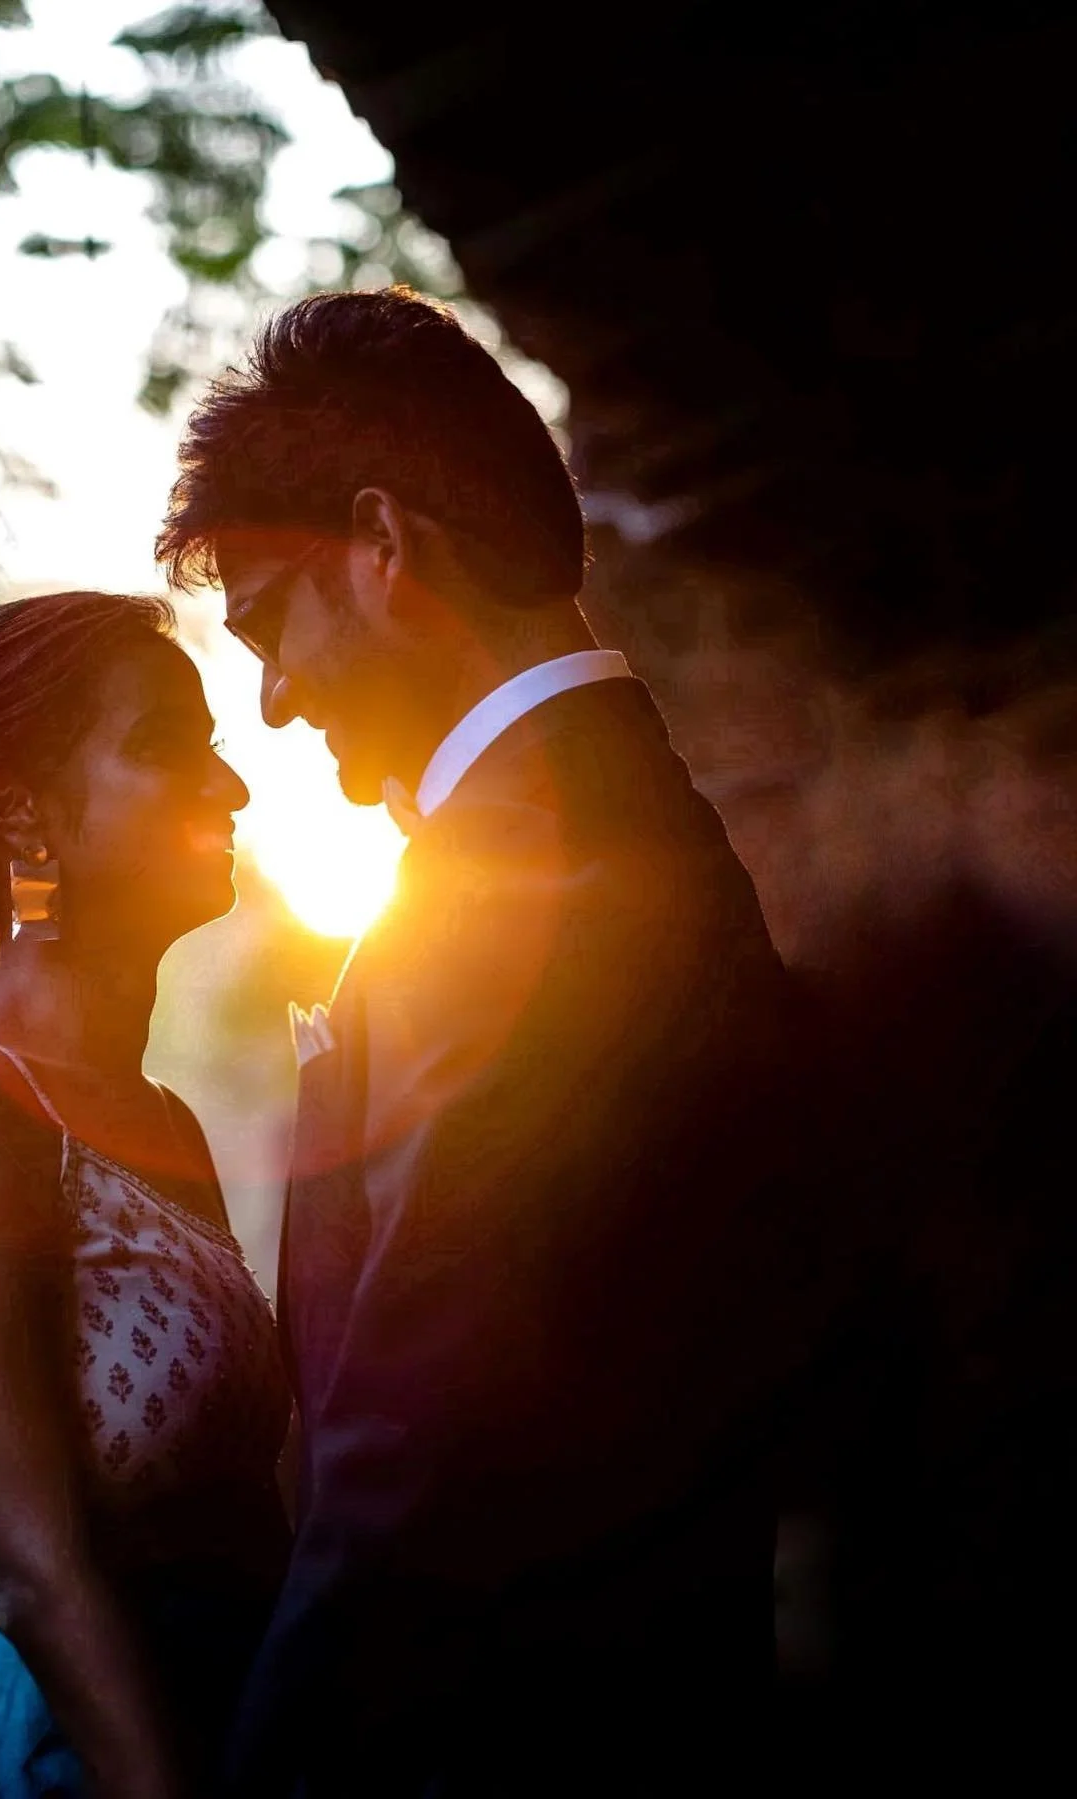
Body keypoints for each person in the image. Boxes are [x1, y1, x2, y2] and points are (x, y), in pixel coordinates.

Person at [157, 289, 803, 1793]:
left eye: (268, 622)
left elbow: (414, 1453)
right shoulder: (603, 819)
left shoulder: (537, 869)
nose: (271, 698)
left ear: (383, 544)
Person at [0, 591, 290, 1799]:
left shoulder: (165, 1123)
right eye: (165, 749)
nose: (227, 790)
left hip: (196, 1699)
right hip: (30, 1728)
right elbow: (30, 1568)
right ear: (20, 810)